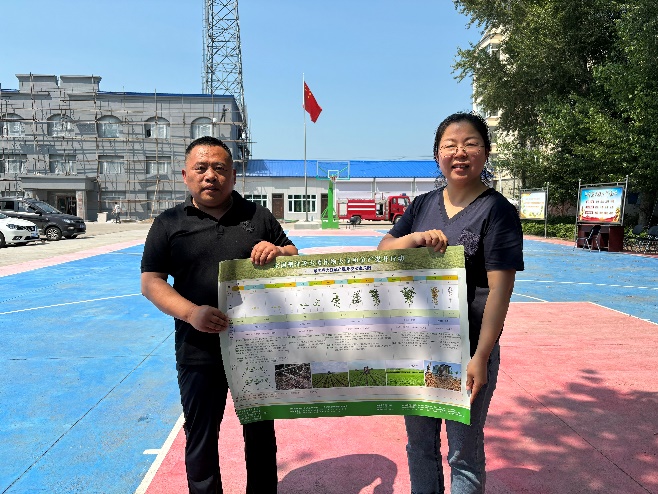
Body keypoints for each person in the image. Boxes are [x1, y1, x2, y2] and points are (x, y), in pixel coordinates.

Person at [140, 136, 298, 494]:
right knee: (201, 437)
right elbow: (151, 282)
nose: (210, 175)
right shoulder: (168, 223)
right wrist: (191, 313)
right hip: (198, 350)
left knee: (260, 436)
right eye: (201, 168)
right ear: (186, 175)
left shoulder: (258, 217)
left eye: (219, 168)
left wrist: (279, 252)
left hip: (257, 350)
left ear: (234, 176)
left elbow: (293, 255)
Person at [377, 112, 524, 494]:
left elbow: (500, 291)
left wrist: (481, 356)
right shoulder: (422, 205)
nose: (460, 153)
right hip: (417, 350)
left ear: (486, 152)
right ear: (437, 155)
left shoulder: (498, 211)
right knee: (420, 447)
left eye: (470, 144)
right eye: (450, 146)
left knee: (463, 455)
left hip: (467, 352)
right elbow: (384, 250)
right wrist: (414, 239)